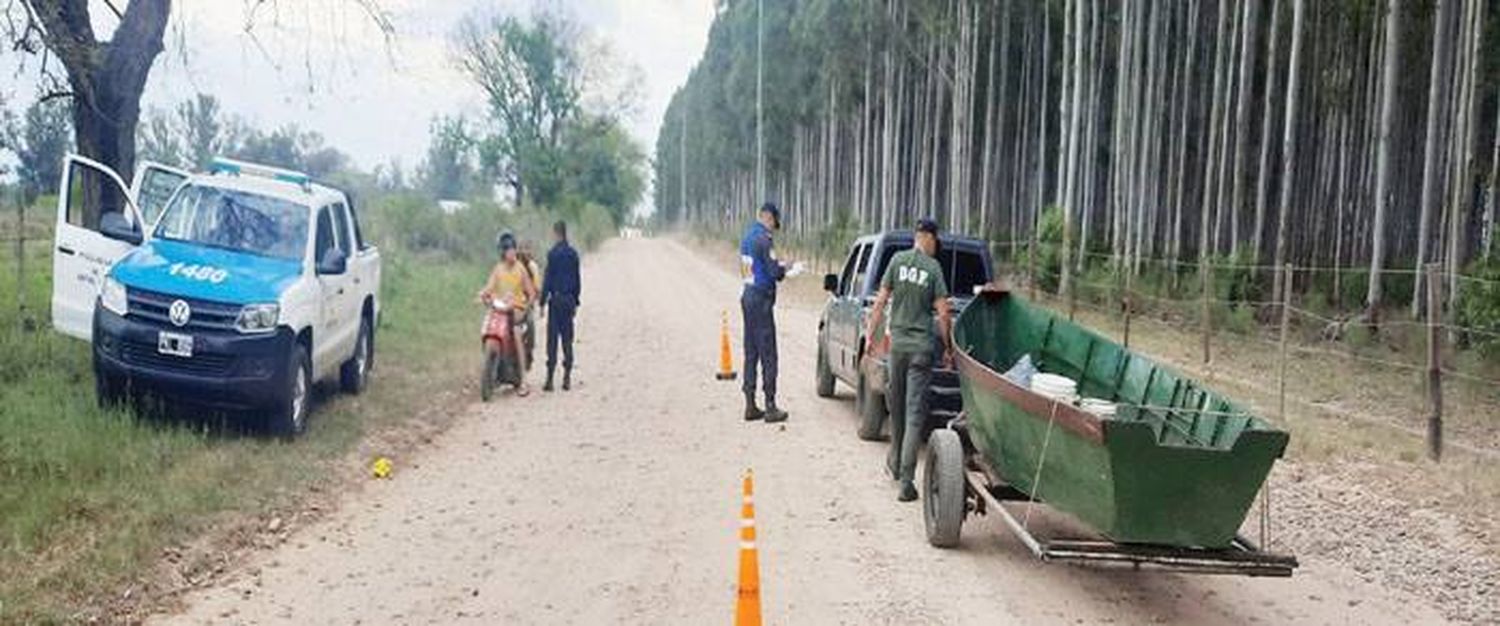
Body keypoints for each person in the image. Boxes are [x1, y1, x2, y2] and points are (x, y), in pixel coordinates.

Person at [865, 218, 953, 502]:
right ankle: (906, 480)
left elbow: (880, 302)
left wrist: (870, 337)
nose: (934, 246)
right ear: (926, 237)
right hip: (921, 350)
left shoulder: (897, 260)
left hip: (897, 348)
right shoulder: (933, 268)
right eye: (934, 241)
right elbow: (943, 313)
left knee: (898, 409)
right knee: (915, 415)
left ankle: (894, 462)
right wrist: (949, 347)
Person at [740, 202, 791, 423]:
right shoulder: (764, 239)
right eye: (773, 223)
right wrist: (785, 268)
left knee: (751, 351)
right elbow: (773, 272)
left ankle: (750, 404)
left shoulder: (747, 237)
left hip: (748, 295)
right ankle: (770, 406)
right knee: (768, 353)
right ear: (768, 217)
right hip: (761, 299)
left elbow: (756, 266)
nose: (773, 228)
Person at [478, 231, 538, 396]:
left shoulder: (520, 269)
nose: (511, 252)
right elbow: (489, 287)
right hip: (500, 308)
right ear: (502, 252)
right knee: (487, 326)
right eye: (507, 249)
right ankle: (492, 371)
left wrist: (526, 305)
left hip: (515, 308)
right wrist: (483, 294)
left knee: (517, 333)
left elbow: (531, 292)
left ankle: (524, 381)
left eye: (512, 248)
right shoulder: (498, 270)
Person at [540, 220, 581, 392]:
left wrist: (542, 301)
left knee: (552, 339)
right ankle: (567, 377)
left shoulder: (552, 254)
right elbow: (577, 280)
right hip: (568, 300)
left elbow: (548, 279)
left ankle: (549, 379)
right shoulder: (573, 254)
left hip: (555, 300)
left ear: (557, 233)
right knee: (567, 339)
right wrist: (576, 300)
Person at [519, 240, 543, 371]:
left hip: (527, 303)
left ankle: (529, 351)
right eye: (522, 249)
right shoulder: (514, 266)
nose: (525, 252)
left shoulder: (533, 267)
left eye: (527, 249)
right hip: (514, 302)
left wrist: (534, 298)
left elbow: (537, 287)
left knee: (530, 324)